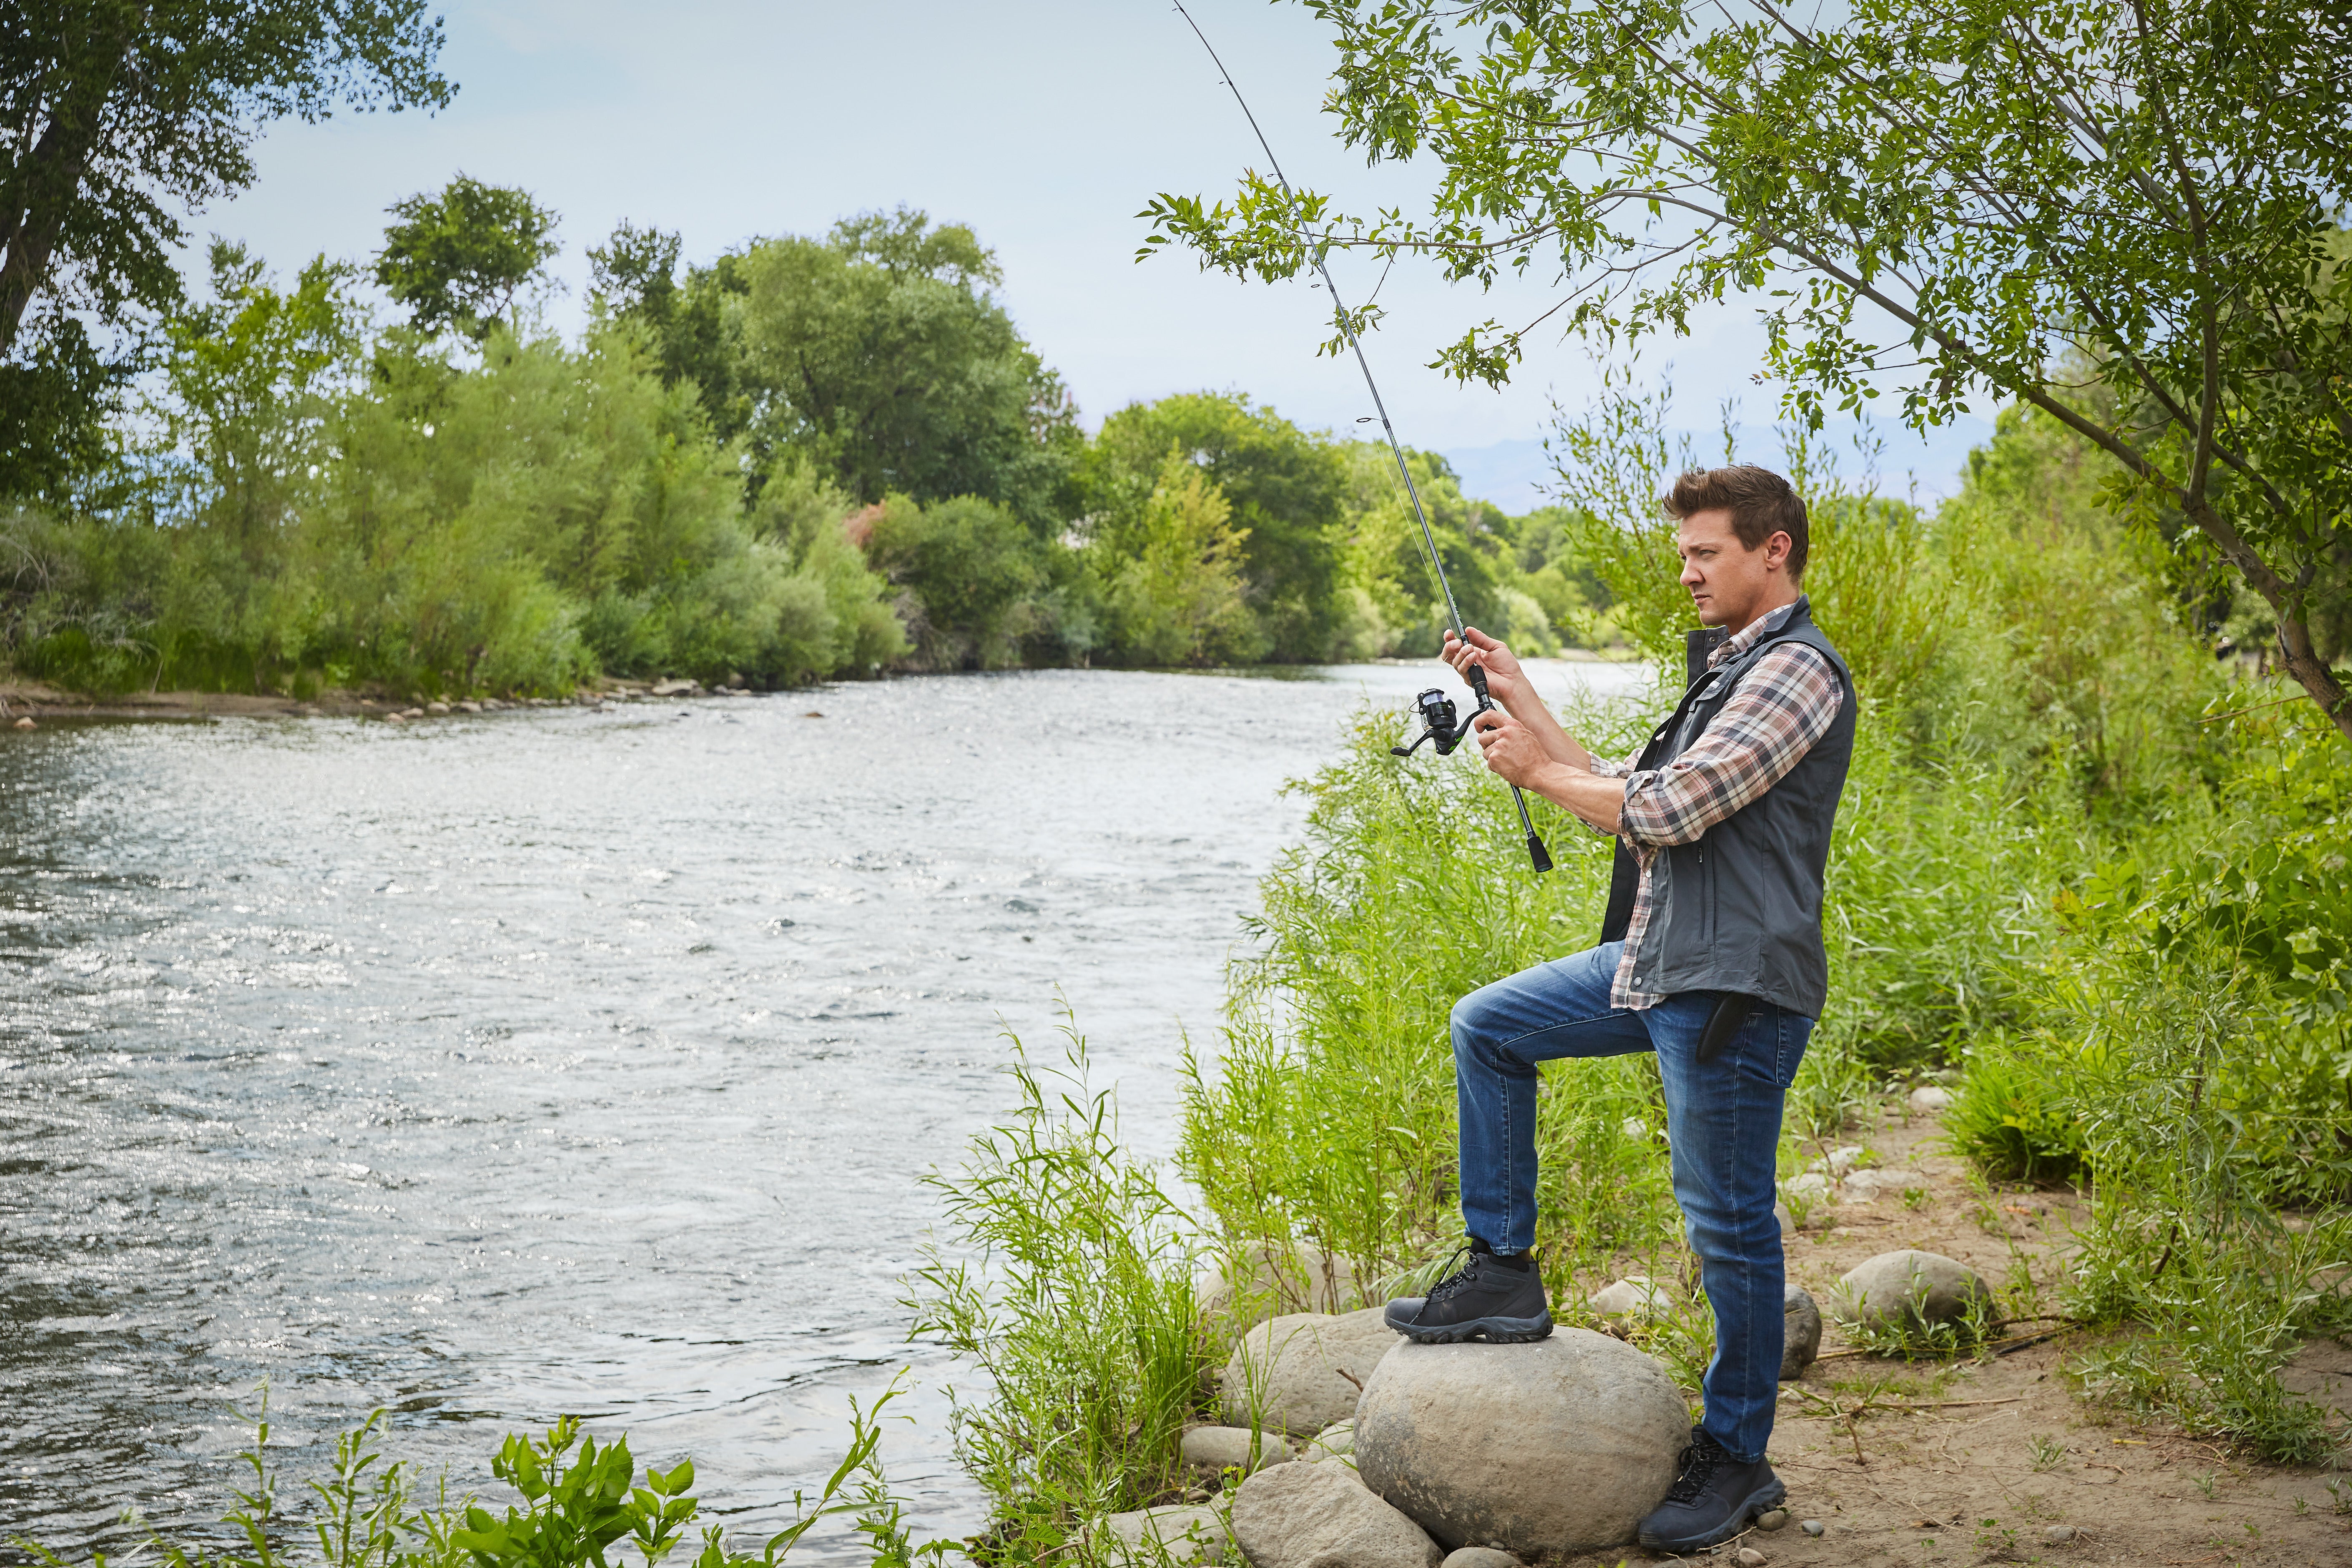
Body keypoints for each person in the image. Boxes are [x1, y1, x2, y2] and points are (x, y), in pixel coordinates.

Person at [1380, 464, 1855, 1552]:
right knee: (1487, 1023)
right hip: (1658, 963)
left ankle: (1735, 1456)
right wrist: (1513, 687)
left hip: (1730, 987)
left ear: (1771, 550)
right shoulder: (1724, 673)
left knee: (1724, 1222)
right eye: (1682, 551)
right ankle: (1501, 1273)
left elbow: (1671, 806)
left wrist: (1537, 779)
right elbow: (1612, 781)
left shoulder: (1795, 673)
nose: (1685, 570)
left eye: (1704, 552)